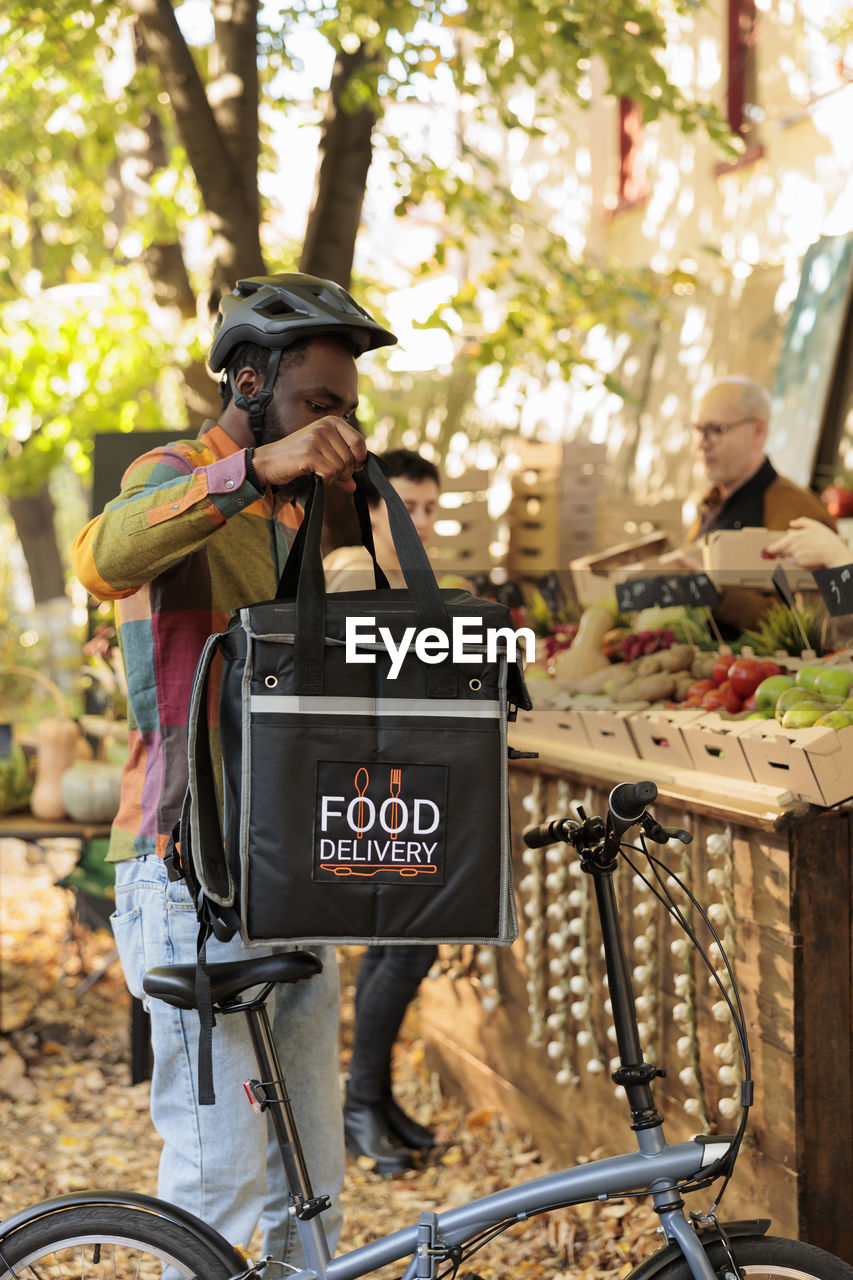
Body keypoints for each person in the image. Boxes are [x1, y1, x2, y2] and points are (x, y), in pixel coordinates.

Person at [70, 274, 397, 1262]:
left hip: (284, 868)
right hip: (183, 871)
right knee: (220, 1176)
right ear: (249, 381)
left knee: (311, 1183)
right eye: (318, 405)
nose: (335, 428)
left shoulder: (300, 515)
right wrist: (257, 468)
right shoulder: (176, 472)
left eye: (345, 408)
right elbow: (101, 555)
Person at [324, 449, 441, 1175]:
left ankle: (372, 1097)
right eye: (404, 506)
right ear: (372, 509)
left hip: (418, 780)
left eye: (429, 509)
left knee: (403, 945)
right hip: (374, 789)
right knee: (407, 943)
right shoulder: (350, 573)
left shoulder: (419, 584)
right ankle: (360, 1103)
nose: (418, 522)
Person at [683, 376, 837, 632]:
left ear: (758, 431)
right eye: (697, 429)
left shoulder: (798, 512)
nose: (702, 442)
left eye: (716, 430)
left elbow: (804, 623)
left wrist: (716, 595)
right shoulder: (711, 501)